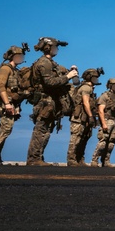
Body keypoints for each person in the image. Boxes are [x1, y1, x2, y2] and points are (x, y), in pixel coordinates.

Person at [26, 38, 78, 166]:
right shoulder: (44, 63)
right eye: (55, 47)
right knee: (40, 129)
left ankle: (38, 157)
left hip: (50, 100)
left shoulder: (50, 63)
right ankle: (33, 159)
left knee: (46, 130)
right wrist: (68, 77)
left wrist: (69, 72)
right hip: (45, 100)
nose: (57, 49)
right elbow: (49, 82)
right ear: (48, 48)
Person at [0, 44, 28, 165]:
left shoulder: (15, 71)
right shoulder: (5, 69)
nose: (21, 58)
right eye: (18, 56)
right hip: (4, 103)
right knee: (5, 129)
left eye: (21, 56)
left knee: (4, 129)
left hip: (11, 103)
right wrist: (7, 104)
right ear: (12, 56)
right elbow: (0, 86)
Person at [66, 68, 102, 166]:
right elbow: (86, 103)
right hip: (79, 118)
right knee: (76, 139)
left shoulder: (89, 88)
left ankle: (79, 159)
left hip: (84, 118)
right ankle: (71, 159)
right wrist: (90, 116)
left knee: (84, 138)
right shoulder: (86, 88)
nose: (96, 79)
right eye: (95, 77)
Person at [91, 78, 115, 167]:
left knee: (111, 142)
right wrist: (103, 123)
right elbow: (101, 110)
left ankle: (106, 161)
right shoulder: (105, 96)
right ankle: (94, 160)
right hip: (108, 120)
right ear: (111, 85)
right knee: (103, 141)